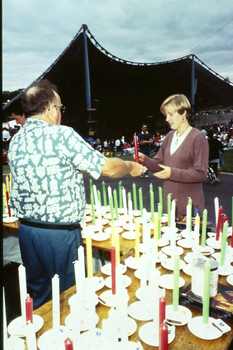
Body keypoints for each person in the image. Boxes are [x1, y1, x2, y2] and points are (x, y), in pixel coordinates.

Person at [8, 79, 146, 309]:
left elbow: (52, 171)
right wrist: (130, 166)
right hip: (58, 236)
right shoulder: (62, 135)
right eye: (60, 108)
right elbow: (108, 168)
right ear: (51, 109)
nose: (60, 113)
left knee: (40, 296)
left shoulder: (15, 141)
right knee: (70, 297)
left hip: (27, 232)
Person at [137, 94, 209, 220]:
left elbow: (201, 173)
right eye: (166, 115)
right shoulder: (169, 136)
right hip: (169, 205)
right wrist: (145, 160)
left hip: (189, 207)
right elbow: (159, 164)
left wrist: (172, 173)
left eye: (170, 114)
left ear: (183, 113)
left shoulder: (198, 138)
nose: (167, 119)